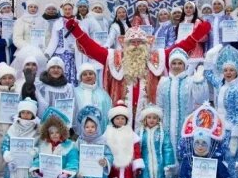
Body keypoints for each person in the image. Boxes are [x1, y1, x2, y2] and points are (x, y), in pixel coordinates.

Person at [64, 13, 211, 123]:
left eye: (140, 42)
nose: (135, 45)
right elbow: (92, 48)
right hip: (121, 118)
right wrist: (77, 32)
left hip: (149, 118)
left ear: (147, 44)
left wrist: (197, 34)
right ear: (125, 45)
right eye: (132, 42)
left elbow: (180, 48)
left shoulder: (157, 57)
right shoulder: (114, 57)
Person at [157, 47, 208, 151]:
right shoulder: (163, 82)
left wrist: (199, 82)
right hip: (166, 127)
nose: (176, 66)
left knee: (184, 152)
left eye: (180, 63)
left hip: (186, 126)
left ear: (185, 65)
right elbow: (159, 105)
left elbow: (201, 99)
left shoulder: (190, 81)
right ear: (170, 65)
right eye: (174, 63)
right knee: (168, 153)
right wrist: (159, 125)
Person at [1, 98, 40, 178]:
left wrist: (35, 152)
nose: (25, 115)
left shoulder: (36, 130)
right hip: (15, 166)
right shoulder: (12, 128)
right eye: (23, 112)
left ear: (33, 114)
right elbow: (5, 144)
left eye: (28, 113)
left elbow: (40, 145)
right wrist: (6, 154)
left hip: (28, 166)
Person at [104, 102, 144, 178]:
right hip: (113, 168)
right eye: (117, 118)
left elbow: (136, 149)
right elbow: (103, 148)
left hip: (127, 167)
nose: (120, 121)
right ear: (113, 120)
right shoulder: (108, 132)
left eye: (123, 118)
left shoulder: (130, 132)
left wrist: (137, 164)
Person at [74, 106, 113, 178]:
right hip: (83, 175)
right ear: (82, 127)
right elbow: (75, 156)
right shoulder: (80, 141)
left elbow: (109, 154)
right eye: (87, 127)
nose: (90, 129)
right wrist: (77, 169)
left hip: (97, 174)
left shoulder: (102, 141)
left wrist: (105, 161)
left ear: (97, 127)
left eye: (92, 126)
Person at [136, 105, 176, 178]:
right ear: (145, 119)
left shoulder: (162, 133)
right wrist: (137, 164)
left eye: (154, 118)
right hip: (146, 166)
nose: (152, 120)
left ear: (158, 119)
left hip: (159, 166)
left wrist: (168, 165)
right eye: (149, 117)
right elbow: (137, 149)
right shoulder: (141, 133)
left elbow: (167, 148)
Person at [44, 1, 78, 85]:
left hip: (72, 53)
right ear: (62, 10)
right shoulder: (58, 22)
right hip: (59, 53)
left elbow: (80, 38)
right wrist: (48, 53)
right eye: (65, 9)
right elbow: (54, 39)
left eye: (69, 9)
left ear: (73, 10)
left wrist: (76, 46)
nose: (67, 11)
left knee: (70, 73)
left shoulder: (78, 22)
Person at [11, 0, 48, 77]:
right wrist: (28, 48)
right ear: (27, 8)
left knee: (38, 75)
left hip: (40, 53)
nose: (33, 9)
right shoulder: (20, 21)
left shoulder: (44, 22)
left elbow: (47, 38)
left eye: (35, 7)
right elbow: (17, 38)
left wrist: (43, 49)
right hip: (24, 52)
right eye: (31, 7)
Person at [72, 63, 112, 131]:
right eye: (84, 74)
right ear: (80, 78)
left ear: (95, 76)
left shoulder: (103, 94)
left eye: (91, 73)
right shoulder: (74, 92)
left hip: (100, 133)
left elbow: (109, 113)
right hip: (78, 133)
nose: (88, 76)